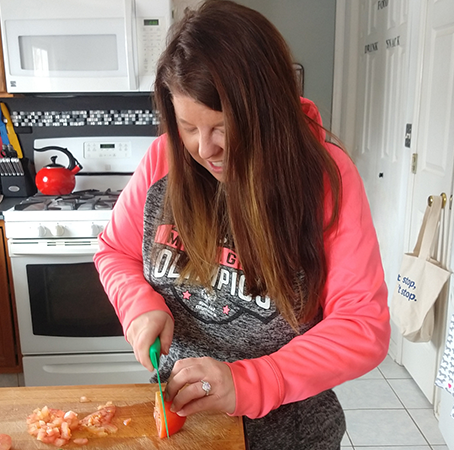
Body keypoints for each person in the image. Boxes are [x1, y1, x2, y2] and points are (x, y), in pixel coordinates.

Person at [93, 1, 390, 448]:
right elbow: (114, 252)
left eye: (221, 128)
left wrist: (250, 380)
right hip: (187, 431)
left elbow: (362, 325)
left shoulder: (326, 177)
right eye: (187, 126)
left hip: (290, 435)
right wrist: (139, 303)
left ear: (268, 113)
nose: (204, 148)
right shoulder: (164, 159)